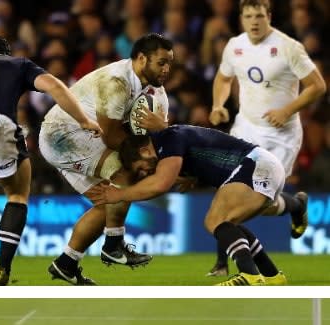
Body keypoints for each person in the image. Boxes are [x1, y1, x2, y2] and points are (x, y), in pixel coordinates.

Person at [39, 33, 173, 285]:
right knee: (125, 174)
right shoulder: (117, 82)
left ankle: (66, 263)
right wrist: (141, 161)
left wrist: (158, 142)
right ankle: (113, 246)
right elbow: (111, 135)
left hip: (85, 137)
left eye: (169, 63)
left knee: (109, 201)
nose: (166, 69)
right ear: (142, 59)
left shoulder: (158, 95)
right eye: (161, 62)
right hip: (62, 134)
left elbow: (160, 138)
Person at [206, 0, 325, 277]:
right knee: (226, 191)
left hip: (280, 136)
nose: (254, 21)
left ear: (269, 16)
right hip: (245, 128)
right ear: (241, 19)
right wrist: (217, 105)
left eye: (259, 15)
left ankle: (295, 205)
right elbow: (223, 79)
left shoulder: (288, 47)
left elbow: (318, 86)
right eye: (248, 16)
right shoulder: (234, 46)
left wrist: (287, 110)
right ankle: (222, 263)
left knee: (261, 203)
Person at [89, 125, 288, 286]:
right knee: (228, 223)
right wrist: (192, 174)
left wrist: (120, 194)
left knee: (215, 221)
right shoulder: (170, 141)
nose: (145, 173)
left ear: (144, 150)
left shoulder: (168, 139)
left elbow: (160, 184)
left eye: (142, 167)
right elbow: (204, 150)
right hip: (264, 166)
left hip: (255, 166)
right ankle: (271, 275)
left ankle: (249, 275)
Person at [0, 35, 102, 285]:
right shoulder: (16, 64)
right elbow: (55, 87)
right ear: (5, 52)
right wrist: (84, 120)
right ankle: (1, 270)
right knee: (16, 195)